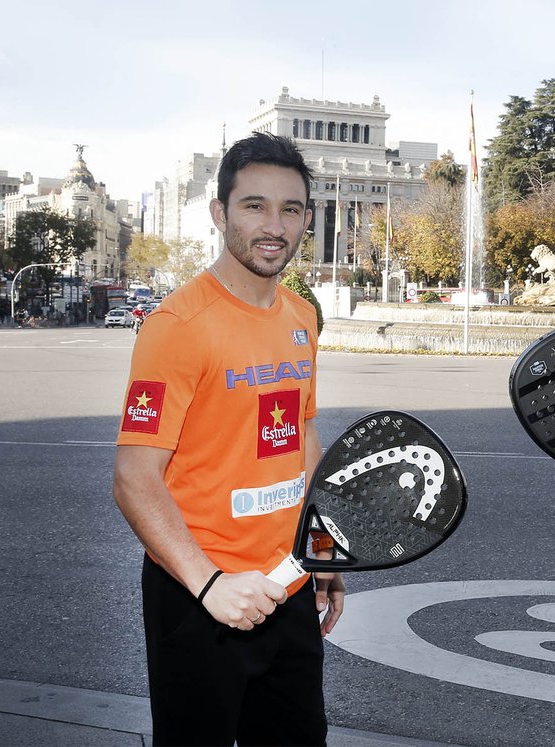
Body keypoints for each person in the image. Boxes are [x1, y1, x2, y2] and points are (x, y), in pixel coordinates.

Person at [113, 131, 343, 746]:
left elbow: (302, 436)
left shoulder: (300, 316)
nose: (275, 225)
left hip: (287, 583)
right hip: (198, 595)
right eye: (254, 205)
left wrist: (319, 550)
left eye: (291, 209)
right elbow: (134, 477)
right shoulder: (177, 326)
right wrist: (209, 584)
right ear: (220, 214)